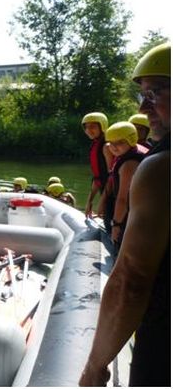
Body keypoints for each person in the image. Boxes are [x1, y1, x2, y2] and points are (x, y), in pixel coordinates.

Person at [79, 42, 170, 387]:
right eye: (142, 95)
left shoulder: (160, 169)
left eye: (155, 92)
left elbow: (130, 279)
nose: (145, 106)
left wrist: (95, 367)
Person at [103, 121, 146, 253]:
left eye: (120, 142)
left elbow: (122, 198)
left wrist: (116, 225)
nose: (114, 147)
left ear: (131, 139)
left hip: (134, 216)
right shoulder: (137, 149)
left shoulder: (128, 165)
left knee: (120, 248)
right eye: (111, 142)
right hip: (142, 211)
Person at [81, 112, 113, 218]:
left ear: (102, 126)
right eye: (86, 127)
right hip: (104, 189)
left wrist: (102, 201)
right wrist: (89, 201)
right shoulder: (95, 144)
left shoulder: (107, 146)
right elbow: (97, 177)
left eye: (92, 127)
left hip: (113, 192)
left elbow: (112, 177)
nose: (88, 130)